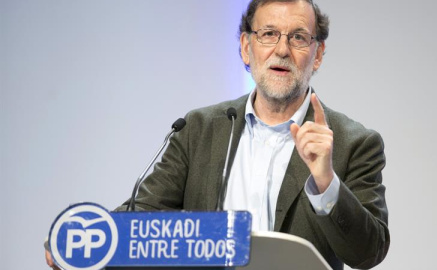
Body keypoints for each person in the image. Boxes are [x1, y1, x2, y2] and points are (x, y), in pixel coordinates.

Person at [46, 0, 389, 269]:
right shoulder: (198, 128)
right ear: (245, 46)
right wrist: (83, 242)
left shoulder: (352, 143)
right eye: (268, 34)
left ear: (317, 55)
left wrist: (327, 182)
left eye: (298, 37)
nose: (282, 49)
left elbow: (367, 253)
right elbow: (143, 215)